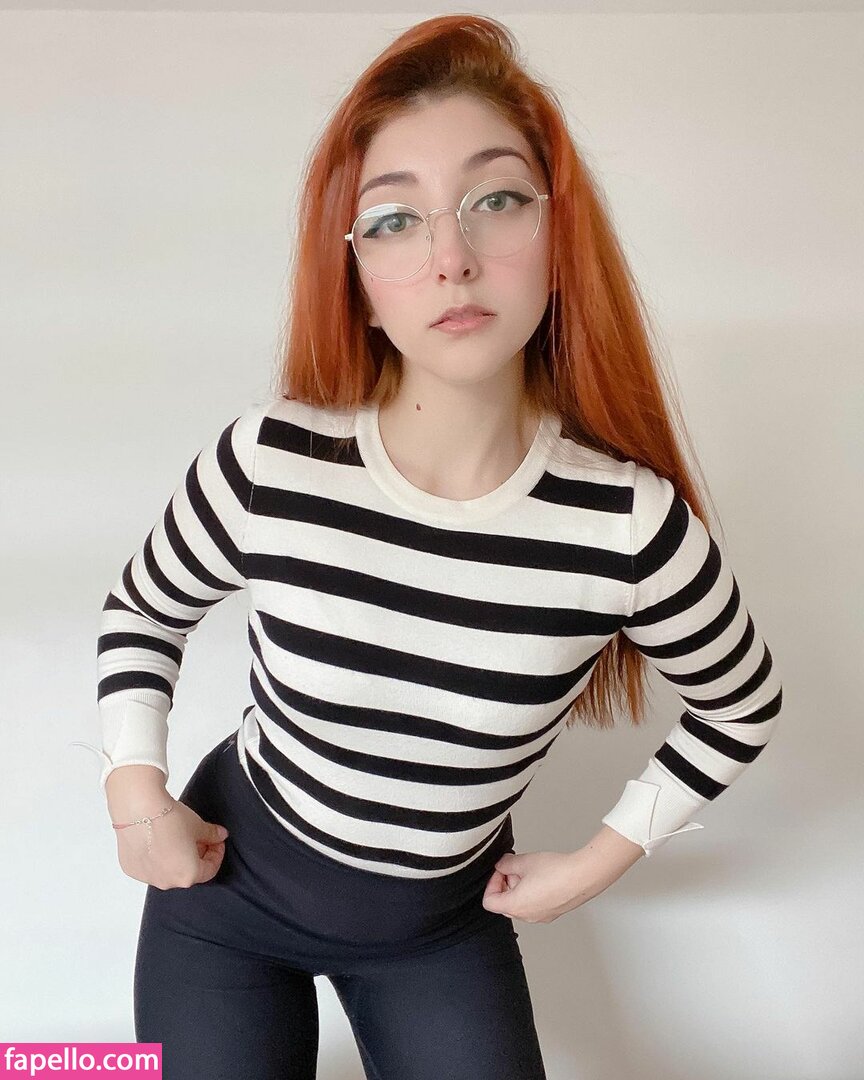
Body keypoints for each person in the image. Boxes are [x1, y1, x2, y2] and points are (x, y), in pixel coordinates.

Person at [70, 14, 783, 1080]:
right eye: (395, 219)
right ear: (355, 271)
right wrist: (136, 797)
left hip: (437, 931)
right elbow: (144, 606)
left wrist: (597, 862)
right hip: (227, 896)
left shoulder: (630, 527)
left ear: (560, 235)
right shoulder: (273, 459)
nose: (453, 258)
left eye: (496, 200)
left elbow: (741, 702)